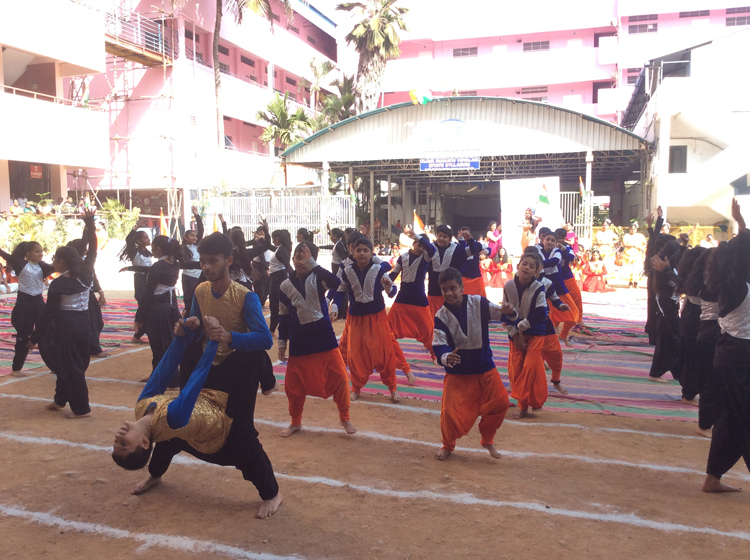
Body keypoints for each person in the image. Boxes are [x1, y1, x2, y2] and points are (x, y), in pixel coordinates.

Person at [114, 232, 282, 517]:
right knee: (171, 427)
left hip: (236, 366)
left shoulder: (246, 296)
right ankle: (155, 473)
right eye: (203, 261)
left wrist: (229, 336)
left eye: (213, 261)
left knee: (239, 435)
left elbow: (265, 339)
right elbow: (195, 327)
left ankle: (272, 493)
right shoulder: (201, 290)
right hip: (207, 362)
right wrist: (186, 328)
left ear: (228, 260)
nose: (206, 267)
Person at [432, 267, 515, 461]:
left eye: (453, 288)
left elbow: (503, 315)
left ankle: (487, 438)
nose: (449, 293)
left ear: (462, 288)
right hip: (458, 372)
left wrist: (510, 312)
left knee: (501, 403)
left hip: (484, 367)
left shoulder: (479, 302)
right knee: (449, 413)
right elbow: (438, 343)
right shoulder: (441, 316)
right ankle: (447, 445)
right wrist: (445, 357)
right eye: (444, 289)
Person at [277, 242, 356, 437]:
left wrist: (312, 265)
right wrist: (282, 343)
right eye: (298, 256)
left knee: (340, 377)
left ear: (312, 260)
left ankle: (344, 417)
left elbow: (337, 283)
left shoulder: (319, 276)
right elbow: (283, 316)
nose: (300, 260)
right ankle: (295, 422)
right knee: (294, 386)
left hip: (324, 338)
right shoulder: (285, 285)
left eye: (305, 257)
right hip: (299, 342)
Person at [701, 199, 750, 493]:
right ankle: (713, 477)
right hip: (735, 358)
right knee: (743, 419)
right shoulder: (735, 285)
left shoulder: (738, 285)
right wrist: (741, 224)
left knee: (732, 420)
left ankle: (713, 478)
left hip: (736, 357)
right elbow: (741, 259)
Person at [40, 209, 98, 418]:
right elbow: (93, 249)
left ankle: (81, 409)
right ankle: (60, 399)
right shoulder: (87, 271)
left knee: (72, 368)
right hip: (85, 325)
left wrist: (36, 337)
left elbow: (49, 314)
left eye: (55, 258)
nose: (53, 261)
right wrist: (90, 223)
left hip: (67, 328)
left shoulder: (58, 284)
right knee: (72, 364)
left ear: (62, 262)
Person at [331, 237, 403, 402]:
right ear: (353, 252)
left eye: (365, 250)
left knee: (384, 353)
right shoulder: (347, 270)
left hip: (377, 318)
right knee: (356, 355)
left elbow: (392, 293)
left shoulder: (379, 269)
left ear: (371, 254)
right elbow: (340, 291)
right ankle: (356, 388)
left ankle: (392, 388)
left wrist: (388, 286)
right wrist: (335, 306)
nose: (362, 253)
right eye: (359, 250)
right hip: (356, 319)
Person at [123, 235, 184, 382]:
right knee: (167, 342)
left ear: (158, 249)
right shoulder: (174, 264)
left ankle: (170, 377)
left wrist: (139, 317)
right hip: (170, 307)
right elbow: (151, 270)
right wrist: (131, 268)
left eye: (153, 248)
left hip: (157, 309)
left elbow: (148, 294)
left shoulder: (158, 266)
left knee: (159, 345)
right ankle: (160, 375)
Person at [502, 251, 548, 419]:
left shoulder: (539, 287)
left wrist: (524, 325)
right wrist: (515, 334)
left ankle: (532, 400)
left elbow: (541, 313)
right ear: (518, 266)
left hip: (535, 333)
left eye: (532, 266)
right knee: (516, 369)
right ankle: (523, 405)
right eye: (525, 264)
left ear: (536, 272)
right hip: (515, 334)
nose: (527, 268)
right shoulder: (508, 286)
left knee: (530, 367)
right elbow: (505, 312)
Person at [0, 241, 54, 375]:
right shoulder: (20, 263)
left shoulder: (42, 265)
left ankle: (54, 366)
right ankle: (16, 368)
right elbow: (5, 255)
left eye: (41, 251)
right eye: (37, 252)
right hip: (24, 304)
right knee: (24, 335)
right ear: (28, 254)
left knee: (45, 334)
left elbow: (57, 266)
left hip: (39, 303)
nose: (40, 254)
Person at [684, 249, 720, 437]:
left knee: (708, 380)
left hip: (705, 333)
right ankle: (705, 424)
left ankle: (707, 422)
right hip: (710, 335)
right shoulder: (716, 286)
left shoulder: (702, 282)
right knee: (710, 382)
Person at [388, 234, 437, 360]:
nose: (421, 249)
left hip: (419, 299)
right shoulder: (403, 257)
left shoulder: (425, 257)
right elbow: (393, 274)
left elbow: (432, 249)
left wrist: (418, 237)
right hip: (402, 298)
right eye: (419, 245)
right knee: (388, 327)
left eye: (423, 247)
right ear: (413, 244)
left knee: (428, 330)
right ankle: (387, 352)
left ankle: (435, 355)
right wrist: (384, 281)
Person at [647, 238, 686, 384]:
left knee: (674, 341)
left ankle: (677, 371)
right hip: (666, 308)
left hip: (671, 307)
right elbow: (675, 284)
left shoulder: (669, 266)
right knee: (667, 343)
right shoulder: (662, 269)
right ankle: (655, 373)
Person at [535, 229, 579, 345]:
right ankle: (545, 342)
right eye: (547, 239)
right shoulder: (536, 249)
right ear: (542, 240)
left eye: (552, 240)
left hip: (558, 288)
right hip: (541, 287)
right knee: (543, 316)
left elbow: (555, 261)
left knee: (574, 314)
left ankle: (563, 335)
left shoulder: (558, 251)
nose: (549, 242)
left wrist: (539, 264)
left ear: (556, 243)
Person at [118, 227, 153, 344]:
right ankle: (138, 333)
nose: (148, 239)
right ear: (138, 241)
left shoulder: (148, 252)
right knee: (144, 306)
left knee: (148, 307)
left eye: (148, 237)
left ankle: (139, 334)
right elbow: (129, 240)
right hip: (140, 279)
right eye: (145, 238)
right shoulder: (135, 252)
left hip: (149, 279)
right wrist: (135, 228)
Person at [427, 225, 469, 316]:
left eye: (444, 237)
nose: (441, 238)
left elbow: (470, 252)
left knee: (452, 317)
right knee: (433, 318)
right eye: (439, 236)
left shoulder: (457, 248)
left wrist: (466, 239)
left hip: (451, 292)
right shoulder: (430, 248)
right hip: (433, 291)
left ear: (450, 239)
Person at [268, 229, 294, 335]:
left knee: (276, 304)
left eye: (273, 239)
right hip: (276, 278)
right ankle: (274, 328)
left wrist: (296, 278)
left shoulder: (282, 250)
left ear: (277, 239)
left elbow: (288, 266)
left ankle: (273, 329)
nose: (272, 241)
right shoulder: (280, 248)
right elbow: (268, 245)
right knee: (277, 304)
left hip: (278, 279)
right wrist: (265, 228)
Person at [181, 206, 204, 316]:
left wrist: (197, 216)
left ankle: (196, 315)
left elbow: (201, 230)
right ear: (185, 237)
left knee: (198, 297)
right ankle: (187, 315)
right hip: (188, 276)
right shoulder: (181, 248)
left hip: (198, 276)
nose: (194, 238)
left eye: (195, 236)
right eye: (192, 235)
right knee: (188, 298)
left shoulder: (197, 246)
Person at [457, 227, 484, 297]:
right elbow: (464, 249)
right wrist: (461, 240)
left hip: (476, 276)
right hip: (463, 277)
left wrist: (486, 251)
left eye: (466, 234)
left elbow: (488, 249)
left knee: (481, 297)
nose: (464, 235)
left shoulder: (477, 244)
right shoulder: (457, 246)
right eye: (463, 234)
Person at [622, 223, 647, 288]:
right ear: (629, 229)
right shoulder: (627, 236)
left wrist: (640, 248)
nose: (633, 230)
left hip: (637, 253)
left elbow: (645, 244)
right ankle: (630, 283)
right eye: (631, 229)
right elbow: (624, 244)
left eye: (634, 229)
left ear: (636, 229)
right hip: (628, 254)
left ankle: (636, 283)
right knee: (629, 268)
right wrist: (631, 245)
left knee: (637, 268)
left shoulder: (640, 236)